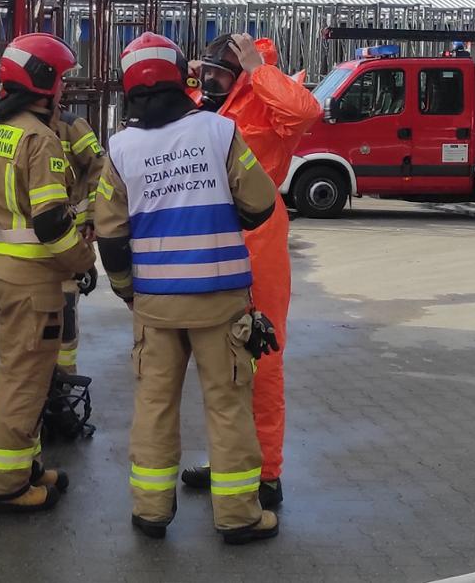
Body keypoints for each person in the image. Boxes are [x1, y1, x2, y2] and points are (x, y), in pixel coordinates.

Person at [94, 33, 281, 544]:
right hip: (221, 302)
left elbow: (110, 236)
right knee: (228, 406)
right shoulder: (219, 131)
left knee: (154, 405)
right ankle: (239, 516)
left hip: (155, 306)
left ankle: (151, 511)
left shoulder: (120, 148)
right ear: (182, 77)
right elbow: (261, 202)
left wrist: (129, 293)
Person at [180, 33, 319, 510]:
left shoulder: (267, 100)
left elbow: (305, 112)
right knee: (217, 358)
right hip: (212, 230)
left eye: (220, 74)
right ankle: (228, 459)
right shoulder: (208, 104)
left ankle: (266, 473)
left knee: (262, 357)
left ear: (241, 73)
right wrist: (187, 76)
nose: (210, 82)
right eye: (208, 73)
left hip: (257, 233)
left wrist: (259, 69)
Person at [0, 32, 92, 514]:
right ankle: (6, 486)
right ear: (44, 83)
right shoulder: (40, 139)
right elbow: (52, 223)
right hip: (31, 282)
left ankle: (27, 467)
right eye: (61, 80)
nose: (64, 90)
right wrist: (83, 263)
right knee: (24, 383)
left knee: (22, 374)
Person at [52, 112, 106, 374]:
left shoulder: (72, 126)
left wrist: (94, 216)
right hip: (27, 244)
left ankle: (64, 380)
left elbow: (100, 168)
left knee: (65, 312)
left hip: (71, 236)